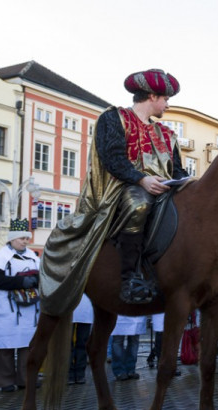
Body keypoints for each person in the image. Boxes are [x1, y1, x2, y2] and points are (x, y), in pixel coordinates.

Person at [39, 69, 187, 309]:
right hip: (122, 188)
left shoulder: (167, 134)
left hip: (164, 188)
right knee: (138, 203)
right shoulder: (113, 118)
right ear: (151, 96)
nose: (168, 105)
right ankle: (130, 277)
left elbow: (178, 170)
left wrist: (188, 183)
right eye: (166, 99)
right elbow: (113, 158)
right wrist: (142, 180)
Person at [0, 218, 40, 392]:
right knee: (5, 346)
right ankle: (5, 381)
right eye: (21, 238)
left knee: (27, 345)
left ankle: (26, 379)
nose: (25, 241)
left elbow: (42, 276)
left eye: (27, 238)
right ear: (12, 239)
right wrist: (21, 281)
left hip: (28, 307)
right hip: (6, 308)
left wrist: (34, 280)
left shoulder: (33, 256)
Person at [110, 314, 146, 380]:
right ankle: (119, 371)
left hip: (136, 314)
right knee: (118, 341)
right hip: (119, 314)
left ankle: (130, 369)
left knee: (133, 342)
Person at [69, 293, 93, 384]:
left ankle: (80, 374)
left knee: (82, 344)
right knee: (68, 345)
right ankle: (69, 374)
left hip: (86, 312)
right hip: (69, 310)